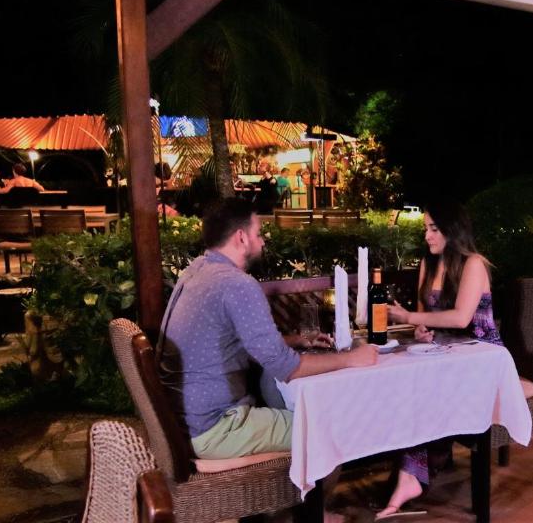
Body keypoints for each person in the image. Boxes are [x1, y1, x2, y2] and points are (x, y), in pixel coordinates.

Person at [158, 198, 378, 462]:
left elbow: (238, 342)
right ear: (241, 237)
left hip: (181, 422)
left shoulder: (197, 271)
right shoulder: (237, 284)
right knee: (328, 426)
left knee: (286, 400)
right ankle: (315, 502)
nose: (262, 241)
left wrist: (297, 339)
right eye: (259, 234)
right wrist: (351, 359)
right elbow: (285, 367)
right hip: (216, 429)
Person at [379, 199, 501, 518]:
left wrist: (408, 315)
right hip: (445, 355)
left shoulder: (474, 264)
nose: (428, 236)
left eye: (434, 229)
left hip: (483, 359)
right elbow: (426, 317)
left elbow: (461, 319)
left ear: (452, 230)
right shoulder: (429, 264)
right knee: (407, 383)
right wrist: (420, 329)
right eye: (426, 229)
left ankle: (413, 473)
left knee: (424, 389)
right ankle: (412, 471)